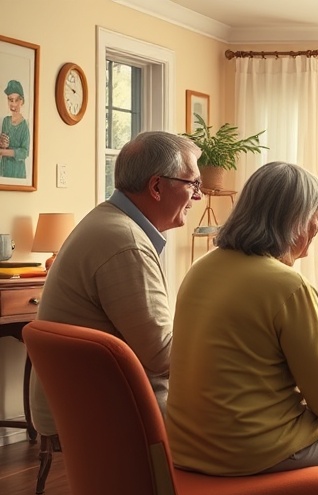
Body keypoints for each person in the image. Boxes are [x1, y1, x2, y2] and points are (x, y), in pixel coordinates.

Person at [167, 162, 318, 495]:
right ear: (293, 219)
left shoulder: (201, 269)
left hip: (189, 449)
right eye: (316, 216)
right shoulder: (289, 285)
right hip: (254, 453)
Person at [30, 131, 202, 438]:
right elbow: (162, 355)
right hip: (111, 413)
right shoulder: (126, 242)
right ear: (157, 187)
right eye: (193, 184)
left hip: (83, 403)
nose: (198, 196)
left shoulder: (107, 222)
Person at [1, 79, 30, 179]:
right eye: (10, 100)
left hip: (18, 172)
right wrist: (2, 145)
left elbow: (25, 152)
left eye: (16, 100)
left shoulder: (25, 126)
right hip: (4, 170)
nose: (13, 104)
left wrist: (4, 152)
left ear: (21, 101)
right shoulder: (5, 121)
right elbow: (3, 145)